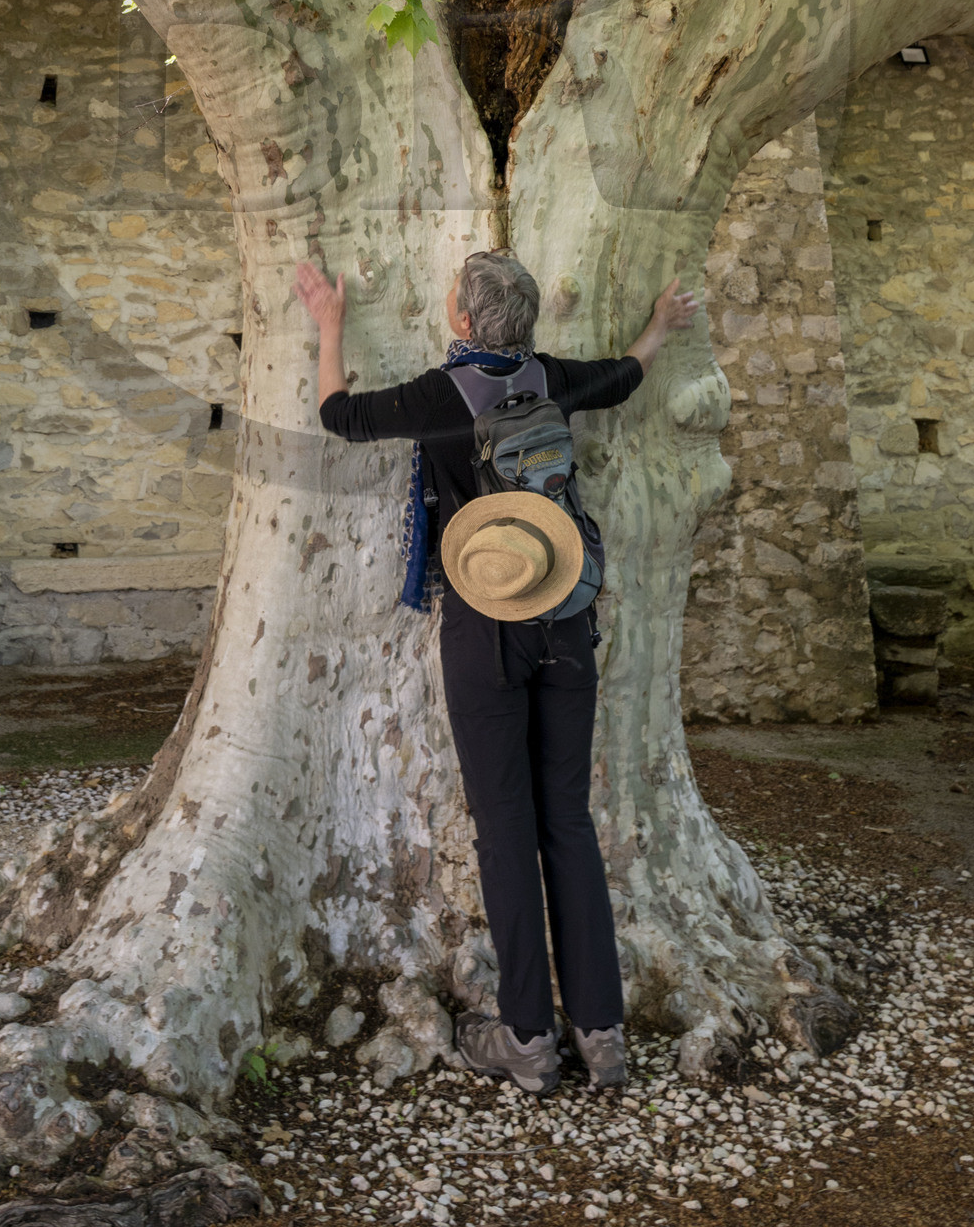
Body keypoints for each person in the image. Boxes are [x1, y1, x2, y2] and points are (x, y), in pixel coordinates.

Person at [294, 247, 698, 1096]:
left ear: (464, 323)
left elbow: (338, 415)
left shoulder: (439, 398)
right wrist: (660, 325)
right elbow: (622, 377)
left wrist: (330, 322)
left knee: (507, 828)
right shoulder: (550, 378)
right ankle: (602, 1034)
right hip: (567, 618)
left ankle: (525, 1037)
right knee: (569, 825)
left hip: (485, 630)